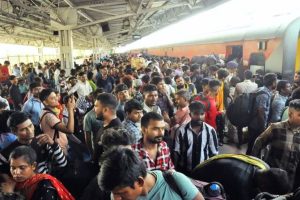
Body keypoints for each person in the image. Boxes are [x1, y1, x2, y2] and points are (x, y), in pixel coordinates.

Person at [98, 147, 204, 200]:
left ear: (139, 182)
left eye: (122, 193)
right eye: (114, 193)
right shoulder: (117, 191)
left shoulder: (175, 181)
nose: (116, 198)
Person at [191, 154, 291, 200]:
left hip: (211, 166)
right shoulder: (241, 185)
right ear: (264, 186)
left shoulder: (263, 166)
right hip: (197, 179)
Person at [252, 99, 300, 187]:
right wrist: (257, 164)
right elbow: (258, 143)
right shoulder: (275, 128)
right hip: (272, 176)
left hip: (290, 179)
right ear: (290, 114)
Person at [0, 111, 67, 174]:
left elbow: (63, 163)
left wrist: (53, 145)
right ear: (14, 132)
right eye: (23, 129)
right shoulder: (7, 153)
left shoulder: (42, 141)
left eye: (30, 126)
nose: (30, 131)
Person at [80, 128, 134, 200]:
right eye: (122, 156)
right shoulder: (97, 188)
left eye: (130, 154)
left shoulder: (134, 175)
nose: (130, 160)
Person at [10, 146, 74, 200]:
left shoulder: (45, 186)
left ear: (33, 166)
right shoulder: (12, 184)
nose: (16, 172)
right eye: (13, 168)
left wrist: (9, 194)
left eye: (22, 168)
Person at [173, 101, 218, 175]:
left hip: (204, 170)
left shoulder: (210, 131)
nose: (199, 117)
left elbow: (214, 153)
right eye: (196, 114)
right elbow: (176, 152)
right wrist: (175, 170)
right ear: (190, 114)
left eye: (202, 114)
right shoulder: (181, 130)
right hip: (185, 170)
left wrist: (212, 170)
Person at [247, 73, 277, 155]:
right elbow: (261, 111)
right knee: (254, 147)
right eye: (276, 81)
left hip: (253, 122)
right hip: (256, 124)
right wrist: (263, 127)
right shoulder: (264, 94)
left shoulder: (261, 89)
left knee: (252, 145)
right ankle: (250, 164)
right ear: (273, 82)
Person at [39, 89, 75, 154]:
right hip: (58, 149)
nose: (57, 99)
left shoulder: (47, 111)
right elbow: (70, 130)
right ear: (45, 102)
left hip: (60, 146)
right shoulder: (49, 116)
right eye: (53, 98)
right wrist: (70, 109)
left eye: (56, 96)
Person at [93, 93, 122, 161]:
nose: (94, 109)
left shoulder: (115, 132)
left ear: (105, 109)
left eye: (96, 106)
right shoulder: (106, 124)